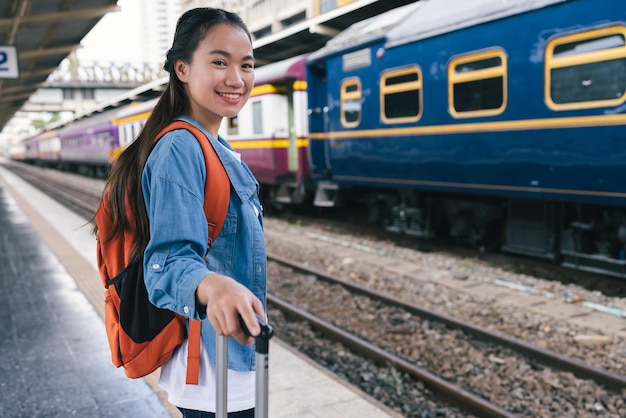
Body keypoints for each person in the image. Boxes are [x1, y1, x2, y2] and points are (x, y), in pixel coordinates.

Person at [97, 7, 266, 418]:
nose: (236, 79)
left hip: (233, 353)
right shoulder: (181, 147)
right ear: (183, 68)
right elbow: (167, 263)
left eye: (246, 65)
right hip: (211, 363)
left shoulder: (213, 145)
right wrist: (214, 286)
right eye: (220, 62)